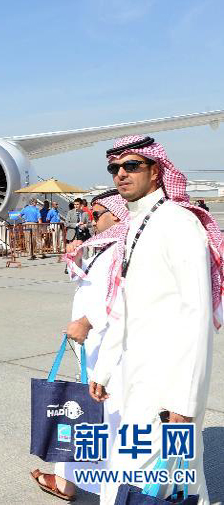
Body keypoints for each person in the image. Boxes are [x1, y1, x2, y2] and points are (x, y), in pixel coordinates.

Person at [89, 136, 221, 505]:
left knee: (134, 481)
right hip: (138, 375)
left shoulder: (178, 224)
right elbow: (126, 307)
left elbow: (196, 315)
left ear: (156, 170)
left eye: (131, 165)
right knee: (180, 482)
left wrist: (185, 398)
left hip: (168, 383)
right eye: (114, 167)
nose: (120, 174)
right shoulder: (137, 225)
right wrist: (103, 368)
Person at [31, 189, 128, 501]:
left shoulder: (124, 249)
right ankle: (67, 480)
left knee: (100, 416)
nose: (92, 220)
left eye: (97, 214)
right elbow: (88, 282)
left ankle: (92, 486)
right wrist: (76, 260)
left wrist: (85, 322)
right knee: (88, 413)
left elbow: (121, 297)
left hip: (107, 343)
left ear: (117, 214)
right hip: (92, 343)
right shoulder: (106, 245)